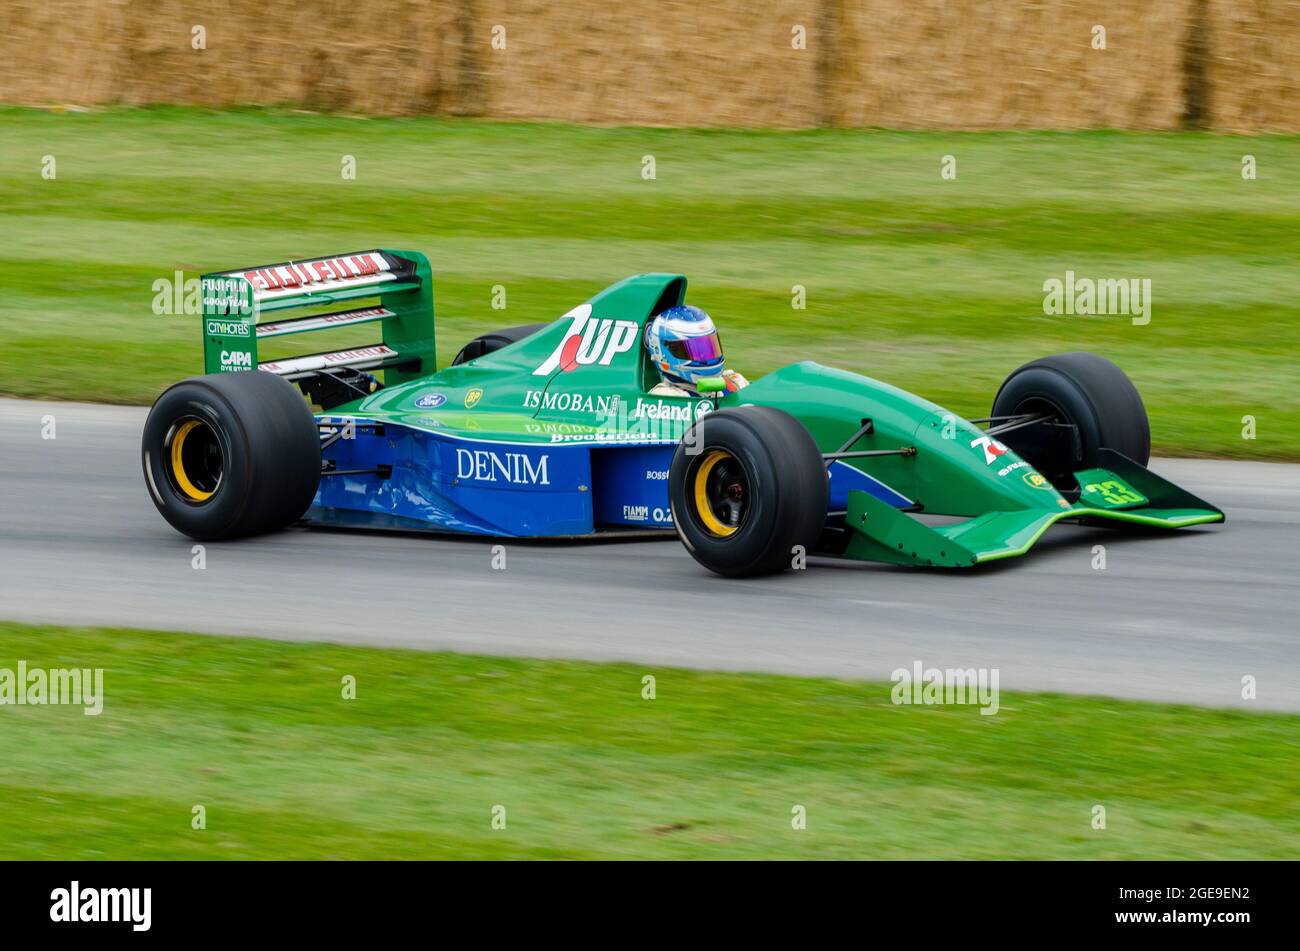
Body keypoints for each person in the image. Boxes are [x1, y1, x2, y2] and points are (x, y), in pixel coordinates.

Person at [644, 305, 748, 398]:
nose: (705, 358)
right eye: (692, 351)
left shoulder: (736, 382)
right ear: (662, 353)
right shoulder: (666, 396)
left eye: (708, 348)